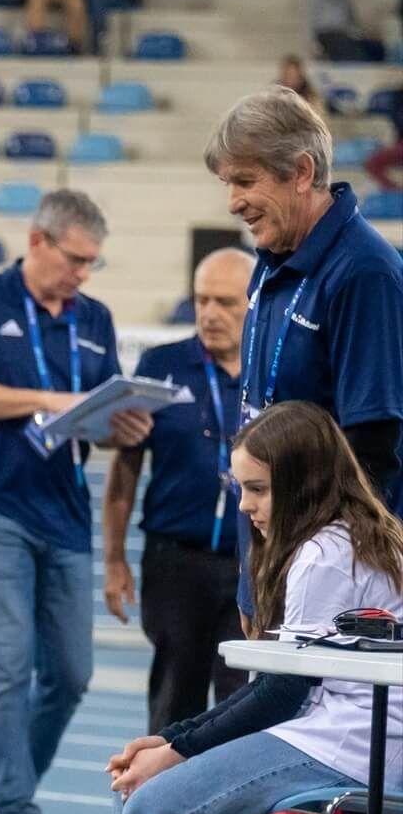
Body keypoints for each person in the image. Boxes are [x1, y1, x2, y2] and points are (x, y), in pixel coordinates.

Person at [0, 400, 403, 814]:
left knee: (155, 806)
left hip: (348, 743)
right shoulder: (353, 533)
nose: (244, 504)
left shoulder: (325, 553)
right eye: (241, 486)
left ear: (302, 481)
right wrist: (173, 741)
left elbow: (282, 690)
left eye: (259, 488)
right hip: (342, 732)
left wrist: (177, 745)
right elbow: (283, 683)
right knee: (145, 792)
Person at [0, 189, 154, 814]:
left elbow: (100, 408)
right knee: (7, 656)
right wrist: (45, 400)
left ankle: (5, 780)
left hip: (63, 509)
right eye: (76, 259)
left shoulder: (95, 319)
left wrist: (125, 427)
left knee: (70, 670)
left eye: (93, 263)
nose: (84, 274)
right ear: (37, 241)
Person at [205, 87, 403, 606]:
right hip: (274, 564)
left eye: (246, 181)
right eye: (229, 183)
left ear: (302, 172)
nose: (233, 203)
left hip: (334, 579)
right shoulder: (273, 261)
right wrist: (256, 582)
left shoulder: (365, 271)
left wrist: (314, 575)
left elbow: (372, 447)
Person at [102, 249, 254, 737]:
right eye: (201, 300)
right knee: (175, 706)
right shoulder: (160, 364)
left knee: (242, 705)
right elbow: (124, 469)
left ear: (255, 304)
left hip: (252, 562)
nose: (209, 313)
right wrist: (114, 560)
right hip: (175, 563)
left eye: (226, 302)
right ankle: (165, 810)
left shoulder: (275, 374)